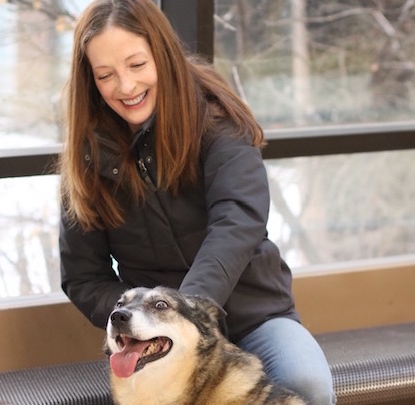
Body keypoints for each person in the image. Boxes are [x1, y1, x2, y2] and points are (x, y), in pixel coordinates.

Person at [57, 0, 334, 403]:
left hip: (254, 318)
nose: (126, 86)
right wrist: (139, 319)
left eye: (137, 65)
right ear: (90, 81)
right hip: (155, 334)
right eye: (106, 75)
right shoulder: (86, 159)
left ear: (163, 57)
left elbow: (238, 222)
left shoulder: (218, 121)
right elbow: (83, 276)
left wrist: (185, 311)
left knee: (306, 386)